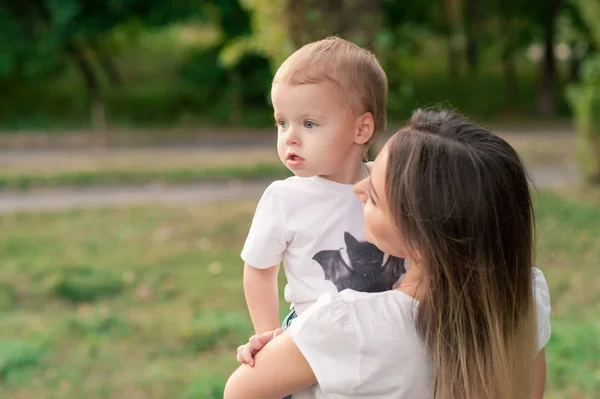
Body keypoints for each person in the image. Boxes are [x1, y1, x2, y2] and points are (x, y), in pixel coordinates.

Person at [225, 109, 552, 399]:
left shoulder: (349, 327)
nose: (358, 189)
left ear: (420, 237)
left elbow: (240, 392)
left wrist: (280, 346)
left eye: (376, 196)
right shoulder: (523, 296)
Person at [241, 36, 404, 338]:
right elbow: (259, 270)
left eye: (309, 124)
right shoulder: (284, 199)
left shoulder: (391, 187)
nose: (290, 136)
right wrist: (267, 334)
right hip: (313, 336)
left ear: (361, 129)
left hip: (388, 332)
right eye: (282, 122)